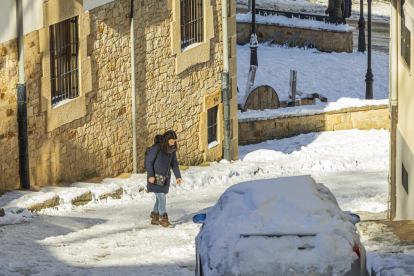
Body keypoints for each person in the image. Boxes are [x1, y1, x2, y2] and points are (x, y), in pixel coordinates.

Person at [146, 130, 182, 227]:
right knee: (162, 198)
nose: (173, 143)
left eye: (174, 141)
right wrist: (150, 175)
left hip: (165, 178)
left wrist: (178, 176)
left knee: (159, 199)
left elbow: (174, 163)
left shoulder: (172, 150)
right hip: (155, 178)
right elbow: (149, 162)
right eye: (171, 141)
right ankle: (164, 219)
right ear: (166, 140)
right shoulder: (156, 148)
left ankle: (154, 218)